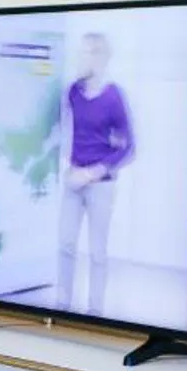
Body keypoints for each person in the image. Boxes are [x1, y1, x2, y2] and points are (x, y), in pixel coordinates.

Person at [58, 32, 135, 314]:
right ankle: (61, 307)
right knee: (65, 244)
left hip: (100, 183)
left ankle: (95, 312)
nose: (81, 57)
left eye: (87, 52)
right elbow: (67, 130)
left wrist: (92, 172)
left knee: (97, 252)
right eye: (80, 52)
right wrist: (70, 167)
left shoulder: (114, 97)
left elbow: (128, 149)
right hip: (73, 180)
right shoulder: (73, 92)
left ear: (101, 57)